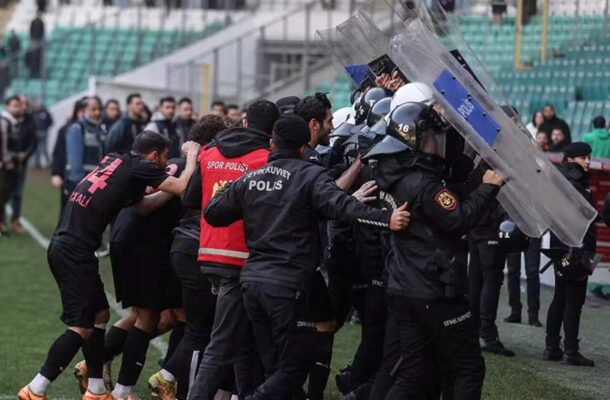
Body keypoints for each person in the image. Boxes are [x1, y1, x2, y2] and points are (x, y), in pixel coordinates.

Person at [204, 115, 410, 400]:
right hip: (287, 287)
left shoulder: (250, 178)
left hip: (251, 284)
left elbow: (213, 212)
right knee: (292, 371)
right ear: (303, 148)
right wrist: (388, 220)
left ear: (272, 144)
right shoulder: (310, 175)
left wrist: (240, 185)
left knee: (274, 366)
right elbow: (345, 208)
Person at [18, 132, 201, 400]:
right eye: (163, 157)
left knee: (100, 315)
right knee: (82, 327)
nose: (164, 163)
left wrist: (166, 194)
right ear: (153, 155)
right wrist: (193, 154)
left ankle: (96, 389)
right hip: (74, 251)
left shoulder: (115, 160)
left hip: (68, 244)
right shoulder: (144, 167)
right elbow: (184, 187)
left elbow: (142, 208)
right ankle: (37, 388)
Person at [364, 101, 504, 400]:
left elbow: (447, 204)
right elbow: (457, 219)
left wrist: (480, 176)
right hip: (434, 288)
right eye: (431, 137)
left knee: (413, 372)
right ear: (414, 138)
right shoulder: (424, 183)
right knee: (468, 368)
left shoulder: (395, 173)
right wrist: (489, 188)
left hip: (405, 284)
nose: (435, 144)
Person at [188, 99, 280, 400]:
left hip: (210, 250)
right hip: (244, 255)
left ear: (243, 121)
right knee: (223, 344)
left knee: (241, 340)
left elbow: (189, 198)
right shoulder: (267, 158)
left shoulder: (209, 152)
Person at [147, 114, 227, 400]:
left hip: (178, 246)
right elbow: (189, 197)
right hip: (198, 247)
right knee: (199, 327)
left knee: (185, 322)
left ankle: (168, 375)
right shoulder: (213, 161)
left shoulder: (195, 160)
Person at [543, 142, 597, 367]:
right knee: (574, 300)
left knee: (560, 297)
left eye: (588, 157)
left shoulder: (561, 180)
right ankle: (571, 351)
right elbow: (582, 220)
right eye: (583, 157)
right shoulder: (576, 184)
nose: (588, 161)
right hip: (575, 248)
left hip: (561, 248)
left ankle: (552, 347)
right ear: (572, 159)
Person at [7, 95, 36, 234]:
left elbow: (33, 141)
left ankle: (15, 220)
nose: (23, 106)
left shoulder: (30, 121)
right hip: (6, 163)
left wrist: (26, 154)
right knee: (3, 192)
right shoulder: (8, 120)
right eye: (20, 103)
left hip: (20, 163)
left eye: (25, 103)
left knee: (17, 193)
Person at [51, 99, 86, 215]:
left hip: (91, 178)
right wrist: (56, 173)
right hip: (69, 177)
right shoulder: (66, 129)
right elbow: (59, 152)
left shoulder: (99, 131)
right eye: (82, 110)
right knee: (67, 210)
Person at [64, 97, 104, 194]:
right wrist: (79, 183)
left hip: (93, 181)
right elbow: (74, 159)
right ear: (83, 110)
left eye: (99, 109)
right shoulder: (77, 128)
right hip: (81, 182)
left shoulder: (99, 130)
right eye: (93, 109)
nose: (97, 112)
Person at [504, 237, 542, 326]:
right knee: (513, 272)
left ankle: (532, 314)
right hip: (516, 228)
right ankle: (516, 311)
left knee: (532, 274)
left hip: (532, 230)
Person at [0, 96, 22, 236]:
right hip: (4, 166)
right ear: (7, 106)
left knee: (4, 196)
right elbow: (3, 144)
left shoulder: (13, 122)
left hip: (9, 165)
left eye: (19, 105)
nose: (18, 108)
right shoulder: (4, 122)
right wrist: (6, 161)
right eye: (14, 105)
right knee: (2, 195)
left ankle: (1, 225)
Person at [32, 99, 53, 168]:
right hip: (36, 133)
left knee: (44, 149)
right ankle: (37, 164)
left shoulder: (45, 112)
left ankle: (48, 163)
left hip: (44, 133)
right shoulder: (33, 113)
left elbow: (50, 121)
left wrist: (45, 128)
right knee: (36, 149)